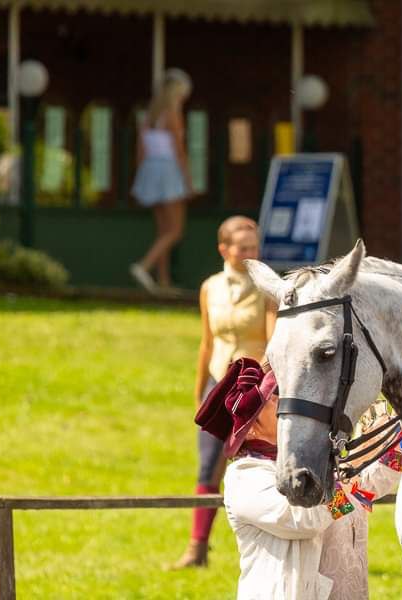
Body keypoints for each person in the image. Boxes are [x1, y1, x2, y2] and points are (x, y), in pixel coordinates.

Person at [195, 358, 402, 599]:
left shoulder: (305, 461)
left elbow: (363, 487)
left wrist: (395, 442)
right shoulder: (244, 477)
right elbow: (306, 519)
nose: (278, 399)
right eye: (268, 400)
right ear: (251, 429)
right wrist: (354, 465)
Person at [169, 216, 278, 569]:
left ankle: (271, 544)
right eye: (243, 248)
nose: (251, 253)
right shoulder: (210, 287)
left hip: (254, 386)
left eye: (254, 247)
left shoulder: (267, 288)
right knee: (207, 466)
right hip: (219, 381)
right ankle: (197, 547)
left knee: (257, 463)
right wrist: (200, 386)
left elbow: (273, 342)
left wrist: (258, 386)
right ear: (224, 250)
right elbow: (207, 341)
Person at [129, 68, 193, 295]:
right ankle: (144, 266)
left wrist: (142, 175)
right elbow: (179, 150)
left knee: (163, 230)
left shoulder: (149, 114)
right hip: (168, 170)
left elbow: (141, 149)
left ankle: (163, 282)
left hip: (150, 170)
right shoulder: (173, 113)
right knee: (175, 230)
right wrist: (188, 180)